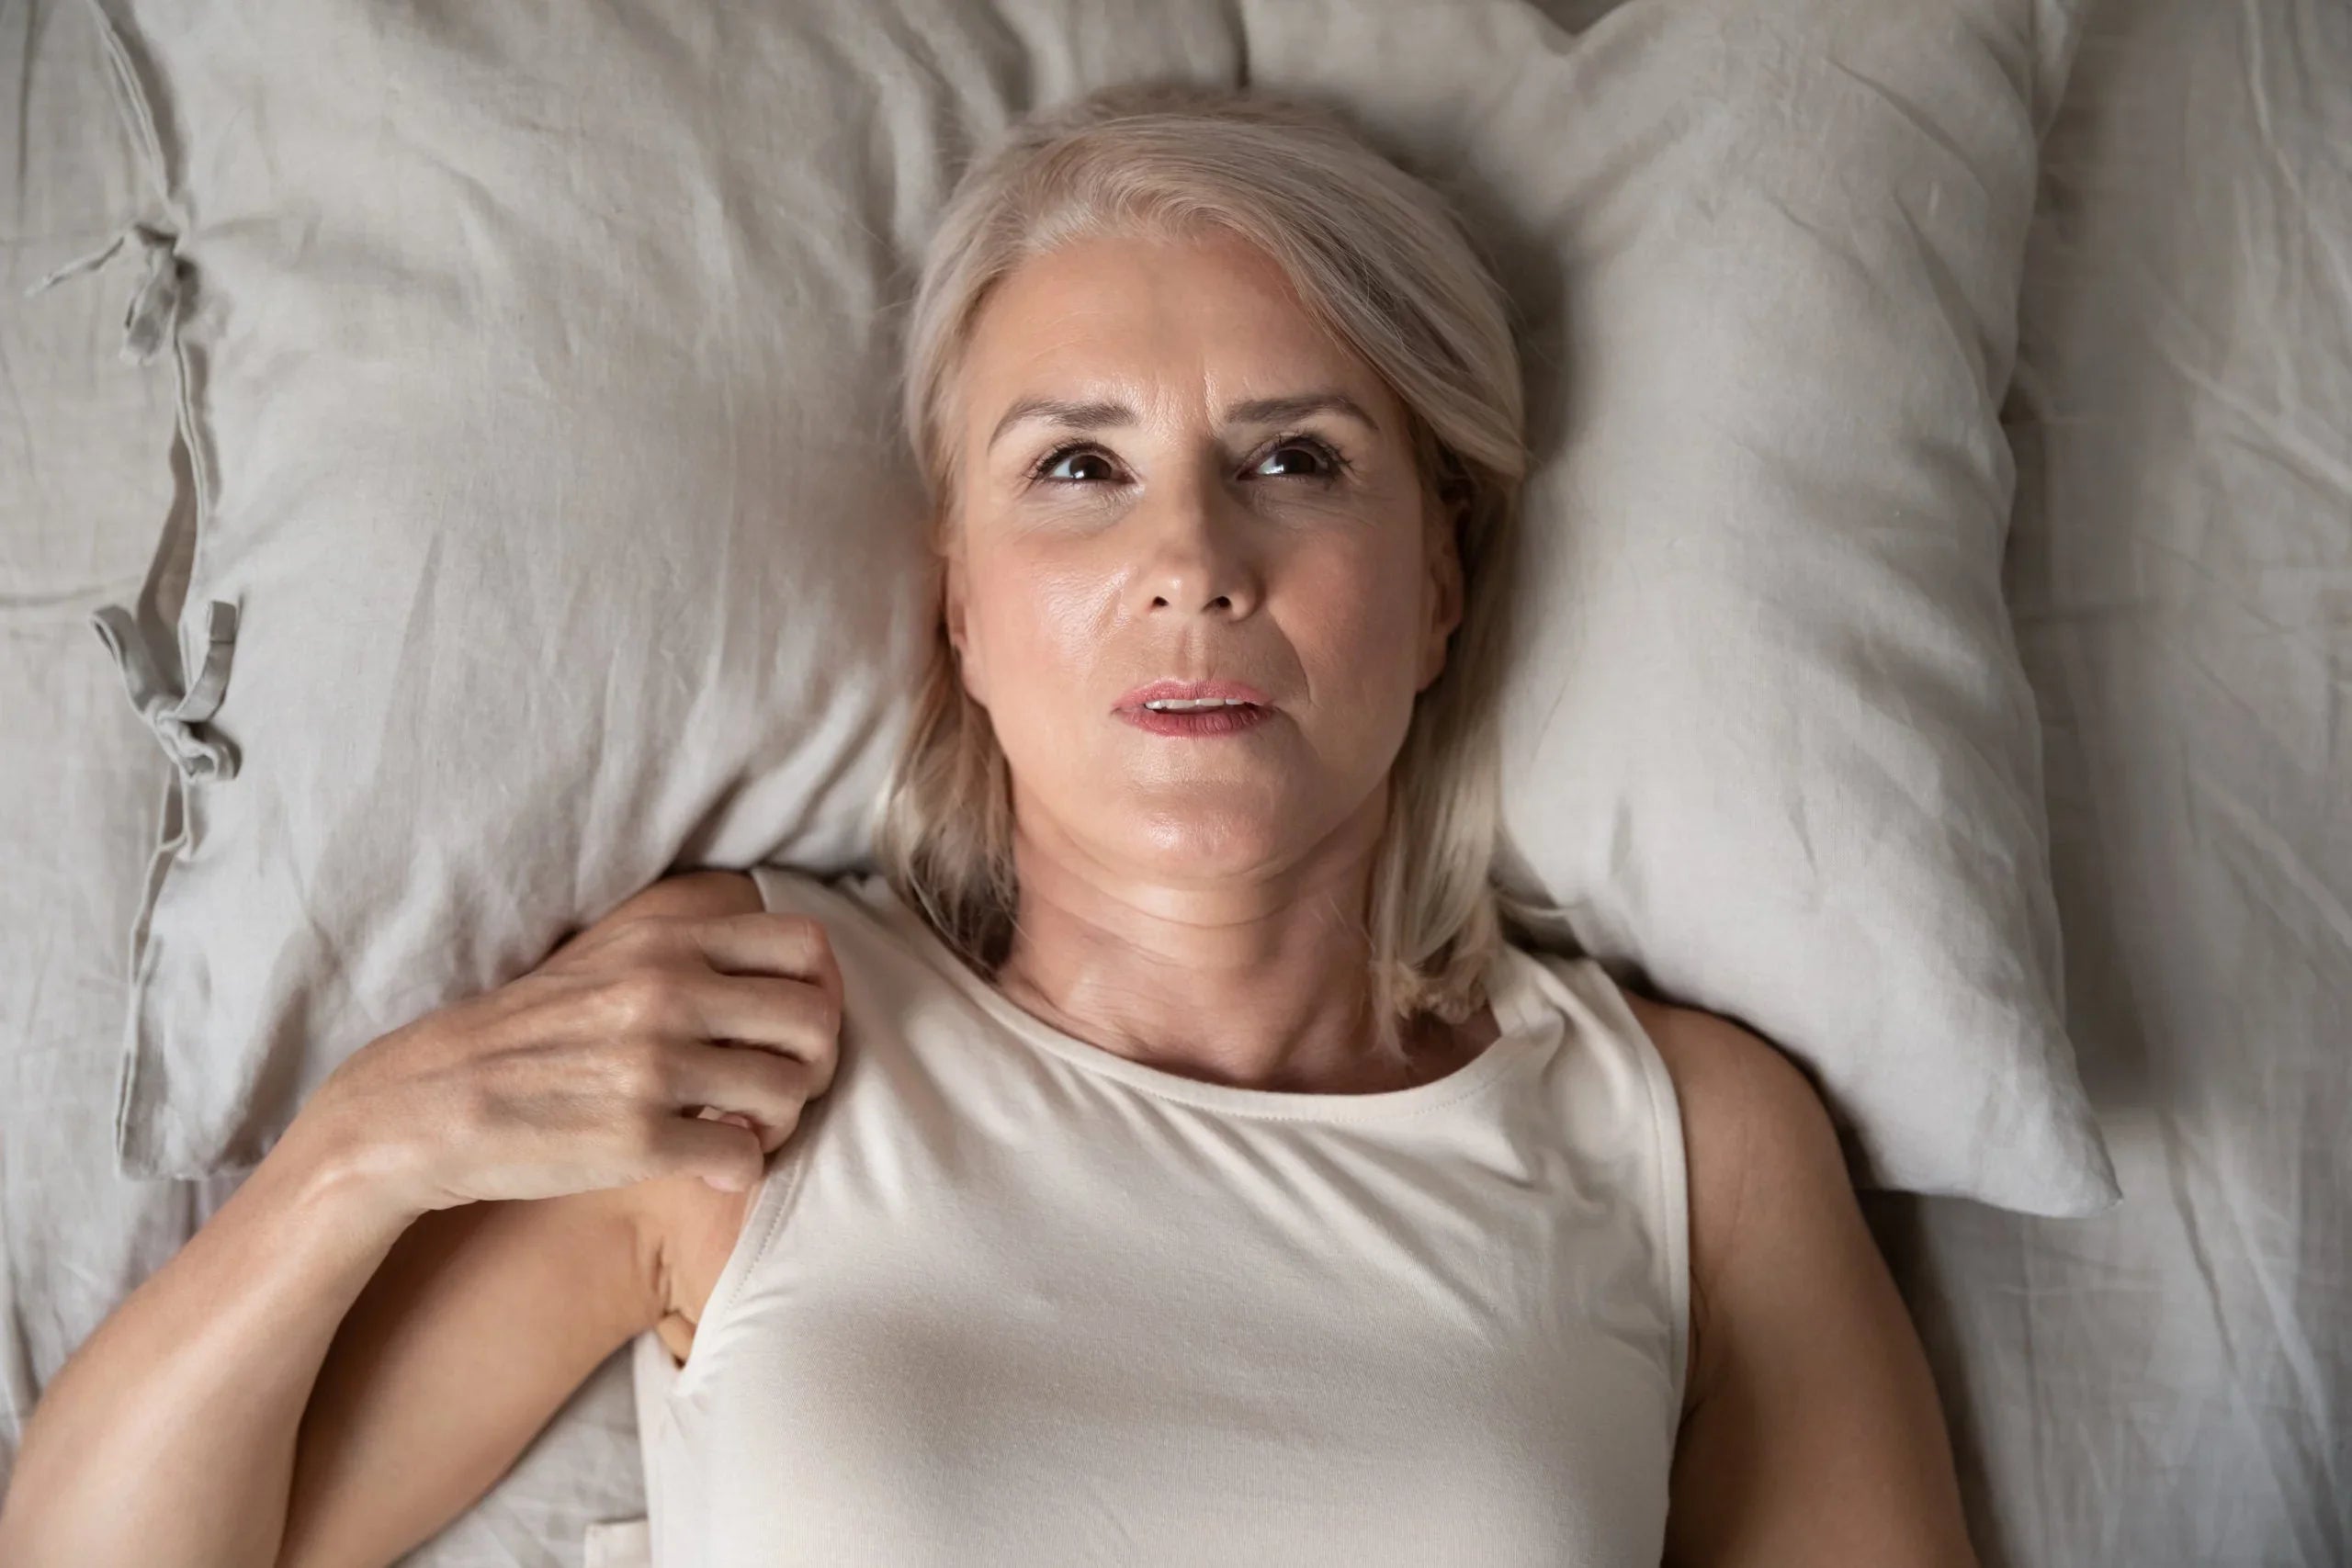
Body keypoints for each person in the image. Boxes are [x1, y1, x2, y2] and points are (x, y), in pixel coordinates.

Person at [0, 81, 1979, 1566]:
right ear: (956, 594)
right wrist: (362, 1147)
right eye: (1075, 467)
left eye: (1295, 458)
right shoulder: (749, 1038)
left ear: (1439, 577)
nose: (1188, 560)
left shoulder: (1684, 1141)